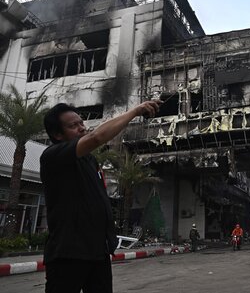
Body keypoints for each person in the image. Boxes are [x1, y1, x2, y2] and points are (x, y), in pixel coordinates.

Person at [40, 100, 160, 293]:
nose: (81, 128)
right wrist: (136, 111)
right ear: (57, 135)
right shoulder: (52, 156)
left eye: (81, 123)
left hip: (98, 252)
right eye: (73, 126)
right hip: (68, 253)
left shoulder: (89, 160)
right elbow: (96, 138)